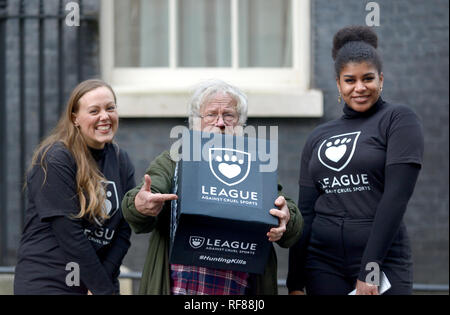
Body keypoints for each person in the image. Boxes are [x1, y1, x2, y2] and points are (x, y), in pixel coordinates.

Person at [121, 79, 303, 295]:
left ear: (240, 125)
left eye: (229, 115)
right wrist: (141, 202)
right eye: (210, 115)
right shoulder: (174, 159)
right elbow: (149, 190)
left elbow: (288, 214)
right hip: (180, 288)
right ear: (194, 123)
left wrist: (285, 217)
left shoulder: (256, 163)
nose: (220, 122)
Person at [287, 25, 424, 295]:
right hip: (323, 263)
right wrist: (294, 283)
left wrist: (369, 270)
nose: (359, 88)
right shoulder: (318, 136)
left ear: (381, 80)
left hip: (383, 261)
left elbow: (396, 198)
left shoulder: (398, 120)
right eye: (350, 80)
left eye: (368, 79)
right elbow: (307, 211)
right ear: (338, 84)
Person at [14, 79, 135, 295]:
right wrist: (102, 289)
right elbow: (69, 234)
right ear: (75, 118)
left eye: (110, 108)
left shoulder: (120, 159)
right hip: (49, 282)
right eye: (94, 111)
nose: (104, 117)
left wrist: (101, 284)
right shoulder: (56, 158)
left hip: (96, 282)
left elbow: (123, 231)